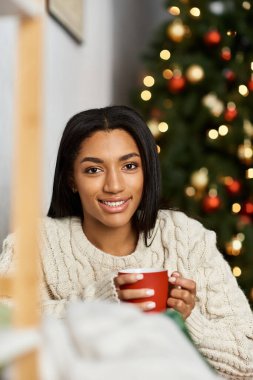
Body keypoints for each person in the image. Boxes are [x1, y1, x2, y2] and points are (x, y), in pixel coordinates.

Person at [0, 105, 253, 378]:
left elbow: (248, 360)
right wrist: (103, 300)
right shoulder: (34, 244)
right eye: (94, 170)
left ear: (146, 172)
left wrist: (187, 320)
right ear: (72, 179)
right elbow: (7, 335)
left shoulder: (186, 238)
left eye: (130, 166)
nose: (114, 185)